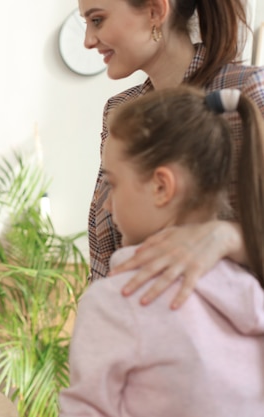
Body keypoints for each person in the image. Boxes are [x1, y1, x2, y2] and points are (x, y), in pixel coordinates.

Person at [59, 86, 264, 416]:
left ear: (161, 187)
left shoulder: (118, 299)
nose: (106, 203)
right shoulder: (250, 292)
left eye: (112, 183)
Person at [80, 0, 264, 308]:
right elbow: (104, 254)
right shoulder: (120, 111)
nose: (88, 40)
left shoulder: (245, 93)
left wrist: (226, 236)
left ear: (155, 11)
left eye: (97, 20)